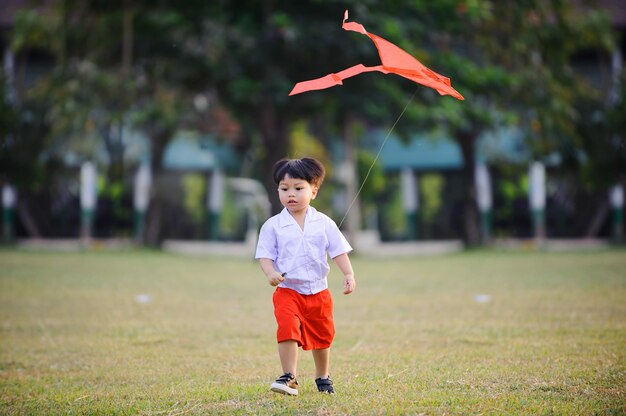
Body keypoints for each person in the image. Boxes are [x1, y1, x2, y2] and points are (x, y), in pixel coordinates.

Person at [255, 157, 356, 396]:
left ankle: (323, 377)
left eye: (298, 188)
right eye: (284, 188)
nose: (291, 194)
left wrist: (348, 273)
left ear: (314, 191)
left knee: (323, 336)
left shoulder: (324, 223)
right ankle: (289, 376)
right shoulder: (273, 225)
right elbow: (265, 255)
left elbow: (338, 251)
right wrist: (270, 273)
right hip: (288, 290)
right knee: (288, 328)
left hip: (319, 291)